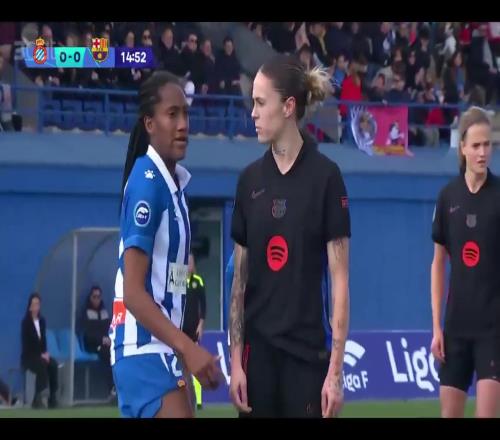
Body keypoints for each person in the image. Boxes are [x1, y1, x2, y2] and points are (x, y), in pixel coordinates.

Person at [229, 54, 351, 418]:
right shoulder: (249, 181)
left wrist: (335, 373)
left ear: (288, 107)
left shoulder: (326, 178)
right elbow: (239, 283)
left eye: (260, 102)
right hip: (256, 362)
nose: (252, 113)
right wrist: (236, 362)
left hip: (307, 359)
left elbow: (340, 282)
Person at [109, 71, 221, 419]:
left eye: (185, 113)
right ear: (150, 123)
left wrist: (185, 346)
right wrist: (188, 348)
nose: (183, 124)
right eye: (172, 114)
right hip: (144, 350)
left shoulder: (174, 188)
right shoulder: (147, 184)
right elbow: (134, 293)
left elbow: (172, 279)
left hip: (165, 349)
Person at [431, 106, 500, 418]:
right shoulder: (448, 197)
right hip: (455, 329)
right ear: (462, 148)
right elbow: (438, 265)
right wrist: (436, 327)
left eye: (488, 145)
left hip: (493, 330)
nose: (483, 152)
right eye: (476, 145)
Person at [21, 293, 59, 409]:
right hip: (29, 357)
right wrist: (40, 355)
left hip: (41, 355)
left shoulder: (42, 321)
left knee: (53, 364)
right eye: (34, 304)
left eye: (37, 304)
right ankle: (37, 398)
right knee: (41, 365)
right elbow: (27, 345)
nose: (36, 307)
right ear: (30, 307)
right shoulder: (25, 323)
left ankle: (52, 397)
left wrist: (45, 353)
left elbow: (43, 341)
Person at [182, 251, 207, 411]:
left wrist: (201, 325)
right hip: (179, 329)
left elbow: (203, 306)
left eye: (191, 262)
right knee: (181, 366)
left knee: (195, 365)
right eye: (187, 262)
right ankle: (182, 397)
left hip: (193, 330)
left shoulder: (198, 281)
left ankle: (198, 400)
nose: (189, 265)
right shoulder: (177, 281)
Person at [80, 285, 114, 397]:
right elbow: (88, 334)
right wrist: (101, 339)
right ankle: (111, 388)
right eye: (94, 297)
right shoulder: (86, 313)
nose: (96, 299)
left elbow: (109, 328)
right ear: (90, 297)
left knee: (114, 352)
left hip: (106, 344)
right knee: (106, 353)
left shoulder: (104, 312)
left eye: (98, 297)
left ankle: (117, 386)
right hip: (92, 345)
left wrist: (109, 338)